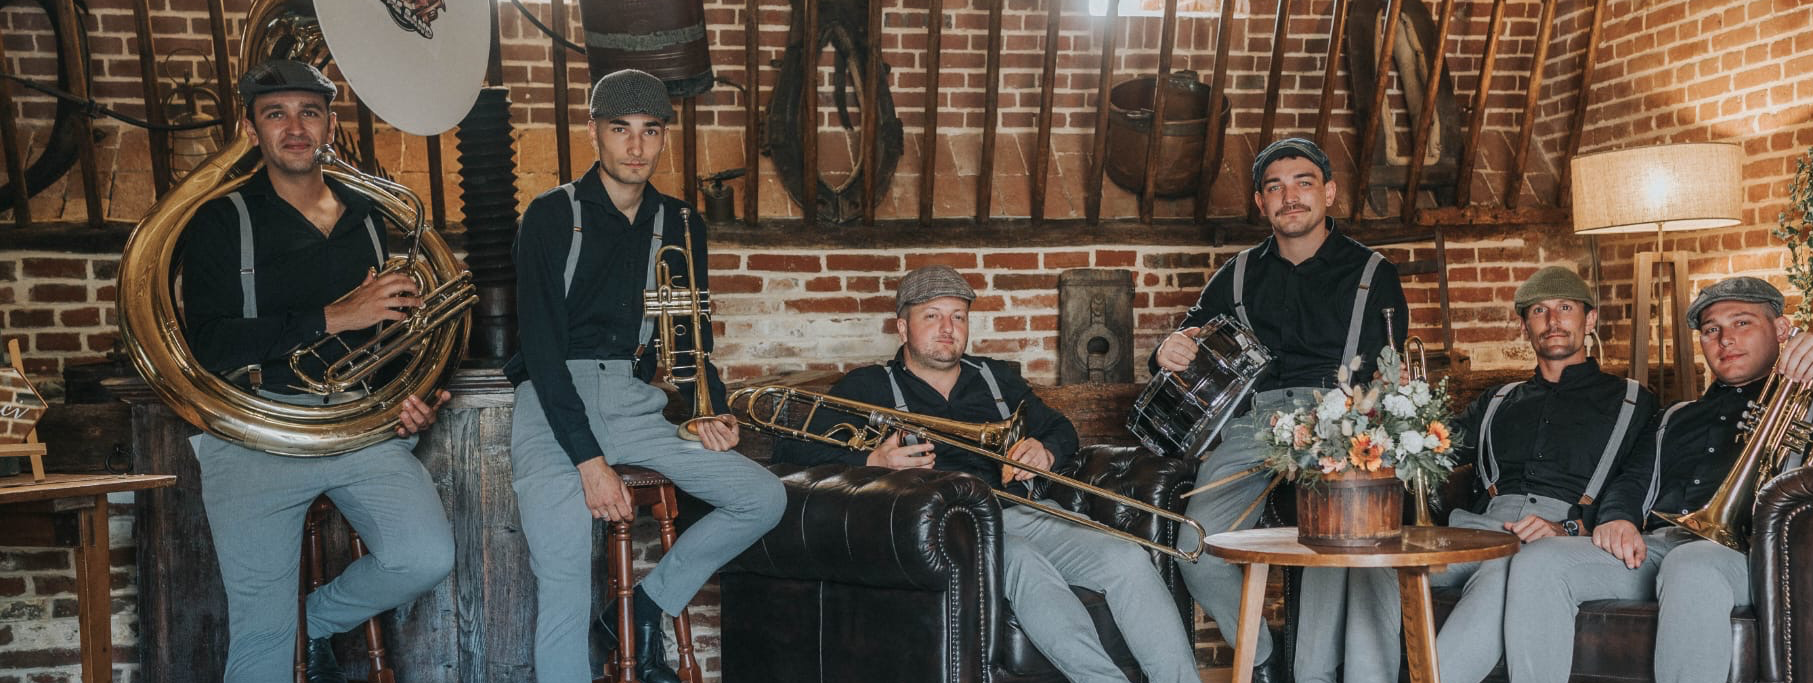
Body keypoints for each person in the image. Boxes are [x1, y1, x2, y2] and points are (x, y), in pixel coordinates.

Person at [774, 265, 1201, 683]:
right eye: (932, 316)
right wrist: (873, 463)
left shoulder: (994, 377)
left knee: (1128, 559)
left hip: (1024, 509)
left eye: (958, 316)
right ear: (902, 327)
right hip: (947, 528)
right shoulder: (868, 387)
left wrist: (1044, 450)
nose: (948, 327)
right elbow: (790, 448)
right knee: (1025, 564)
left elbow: (1060, 429)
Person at [1500, 276, 1813, 683]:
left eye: (1742, 323)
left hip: (1749, 553)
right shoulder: (1674, 416)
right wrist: (1617, 517)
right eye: (1711, 330)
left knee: (1691, 565)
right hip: (1660, 545)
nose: (1725, 339)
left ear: (1781, 329)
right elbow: (1630, 480)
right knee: (1540, 560)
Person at [504, 68, 786, 683]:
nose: (635, 147)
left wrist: (706, 407)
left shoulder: (683, 222)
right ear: (595, 134)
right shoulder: (550, 216)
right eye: (620, 130)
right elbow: (543, 354)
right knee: (564, 580)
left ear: (664, 138)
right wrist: (589, 462)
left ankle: (639, 613)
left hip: (634, 403)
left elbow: (690, 337)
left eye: (649, 131)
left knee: (762, 497)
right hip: (553, 407)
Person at [178, 58, 455, 683]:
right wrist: (331, 317)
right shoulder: (222, 220)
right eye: (276, 115)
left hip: (357, 423)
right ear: (252, 131)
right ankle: (286, 627)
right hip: (256, 431)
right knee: (262, 640)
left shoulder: (371, 217)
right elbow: (210, 345)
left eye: (309, 112)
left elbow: (407, 332)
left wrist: (412, 396)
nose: (294, 127)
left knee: (424, 557)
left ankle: (316, 620)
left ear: (329, 125)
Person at [1152, 137, 1408, 683]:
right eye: (1275, 187)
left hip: (1342, 419)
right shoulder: (1237, 273)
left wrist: (1363, 431)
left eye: (1303, 183)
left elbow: (1387, 378)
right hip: (1257, 421)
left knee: (1337, 535)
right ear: (1260, 202)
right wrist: (1169, 347)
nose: (1289, 197)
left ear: (1330, 193)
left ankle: (1316, 672)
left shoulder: (1373, 271)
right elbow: (1190, 329)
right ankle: (1266, 657)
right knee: (1192, 542)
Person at [1340, 266, 1662, 682]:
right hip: (1475, 528)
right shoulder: (1498, 399)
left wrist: (1571, 528)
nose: (1553, 321)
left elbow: (1635, 483)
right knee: (1378, 566)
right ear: (1525, 325)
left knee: (1502, 572)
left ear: (1590, 319)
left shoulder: (1633, 401)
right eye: (1539, 311)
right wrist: (1393, 400)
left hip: (1555, 534)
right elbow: (1432, 448)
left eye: (1565, 308)